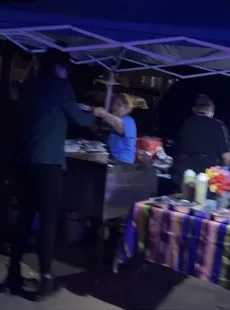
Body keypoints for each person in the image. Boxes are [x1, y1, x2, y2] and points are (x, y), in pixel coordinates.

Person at [2, 48, 96, 298]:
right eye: (67, 68)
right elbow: (82, 120)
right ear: (60, 67)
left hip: (23, 163)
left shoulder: (29, 85)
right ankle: (45, 278)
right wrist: (96, 112)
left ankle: (12, 275)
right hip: (49, 165)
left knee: (23, 220)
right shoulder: (61, 86)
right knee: (48, 223)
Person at [173, 94, 230, 189]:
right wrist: (224, 166)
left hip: (183, 173)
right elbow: (227, 157)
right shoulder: (218, 125)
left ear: (194, 109)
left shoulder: (186, 123)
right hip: (205, 176)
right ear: (211, 109)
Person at [94, 93, 137, 164]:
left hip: (122, 162)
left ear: (127, 108)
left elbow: (120, 129)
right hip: (113, 158)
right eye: (113, 104)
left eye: (119, 105)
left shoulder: (128, 120)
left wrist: (103, 114)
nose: (114, 106)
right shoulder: (115, 120)